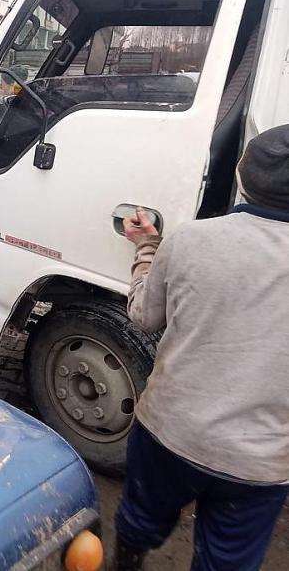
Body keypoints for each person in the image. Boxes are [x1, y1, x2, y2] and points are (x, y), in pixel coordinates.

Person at [114, 124, 289, 571]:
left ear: (240, 174)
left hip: (172, 433)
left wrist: (146, 246)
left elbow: (144, 316)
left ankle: (126, 562)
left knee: (140, 520)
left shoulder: (192, 239)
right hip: (262, 462)